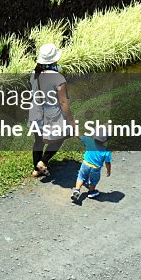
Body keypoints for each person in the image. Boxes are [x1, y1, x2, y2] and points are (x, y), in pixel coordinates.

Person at [29, 43, 75, 179]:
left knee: (38, 141)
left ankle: (36, 170)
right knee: (61, 137)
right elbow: (63, 102)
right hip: (52, 115)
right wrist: (71, 121)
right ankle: (43, 161)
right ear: (54, 60)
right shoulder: (58, 78)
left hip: (36, 113)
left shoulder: (34, 74)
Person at [70, 132, 112, 203]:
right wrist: (108, 170)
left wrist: (74, 130)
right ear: (106, 140)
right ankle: (91, 192)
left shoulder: (89, 141)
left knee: (81, 177)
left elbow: (79, 136)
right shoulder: (106, 150)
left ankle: (77, 190)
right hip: (95, 168)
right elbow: (107, 162)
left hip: (85, 164)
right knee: (94, 180)